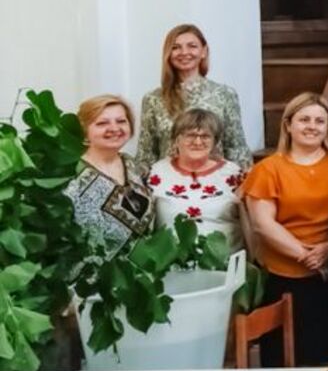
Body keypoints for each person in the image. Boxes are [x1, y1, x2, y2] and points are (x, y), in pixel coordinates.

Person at [244, 93, 328, 365]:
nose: (312, 126)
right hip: (285, 277)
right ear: (288, 125)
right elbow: (263, 223)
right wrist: (307, 256)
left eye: (320, 120)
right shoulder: (268, 169)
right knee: (287, 359)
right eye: (304, 119)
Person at [137, 24, 251, 168]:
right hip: (167, 184)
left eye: (192, 46)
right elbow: (146, 153)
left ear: (203, 51)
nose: (184, 52)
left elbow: (237, 148)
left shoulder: (225, 94)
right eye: (176, 47)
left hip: (216, 183)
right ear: (168, 53)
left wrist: (241, 183)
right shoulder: (153, 99)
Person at [68, 96, 156, 261]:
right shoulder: (71, 174)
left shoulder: (133, 165)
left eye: (121, 121)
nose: (114, 128)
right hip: (90, 280)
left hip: (142, 275)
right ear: (84, 130)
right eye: (102, 123)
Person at [146, 108, 245, 251]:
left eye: (205, 136)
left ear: (215, 141)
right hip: (169, 264)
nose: (198, 142)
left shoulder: (233, 174)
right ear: (176, 139)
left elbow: (250, 222)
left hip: (224, 265)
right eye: (190, 135)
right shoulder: (156, 173)